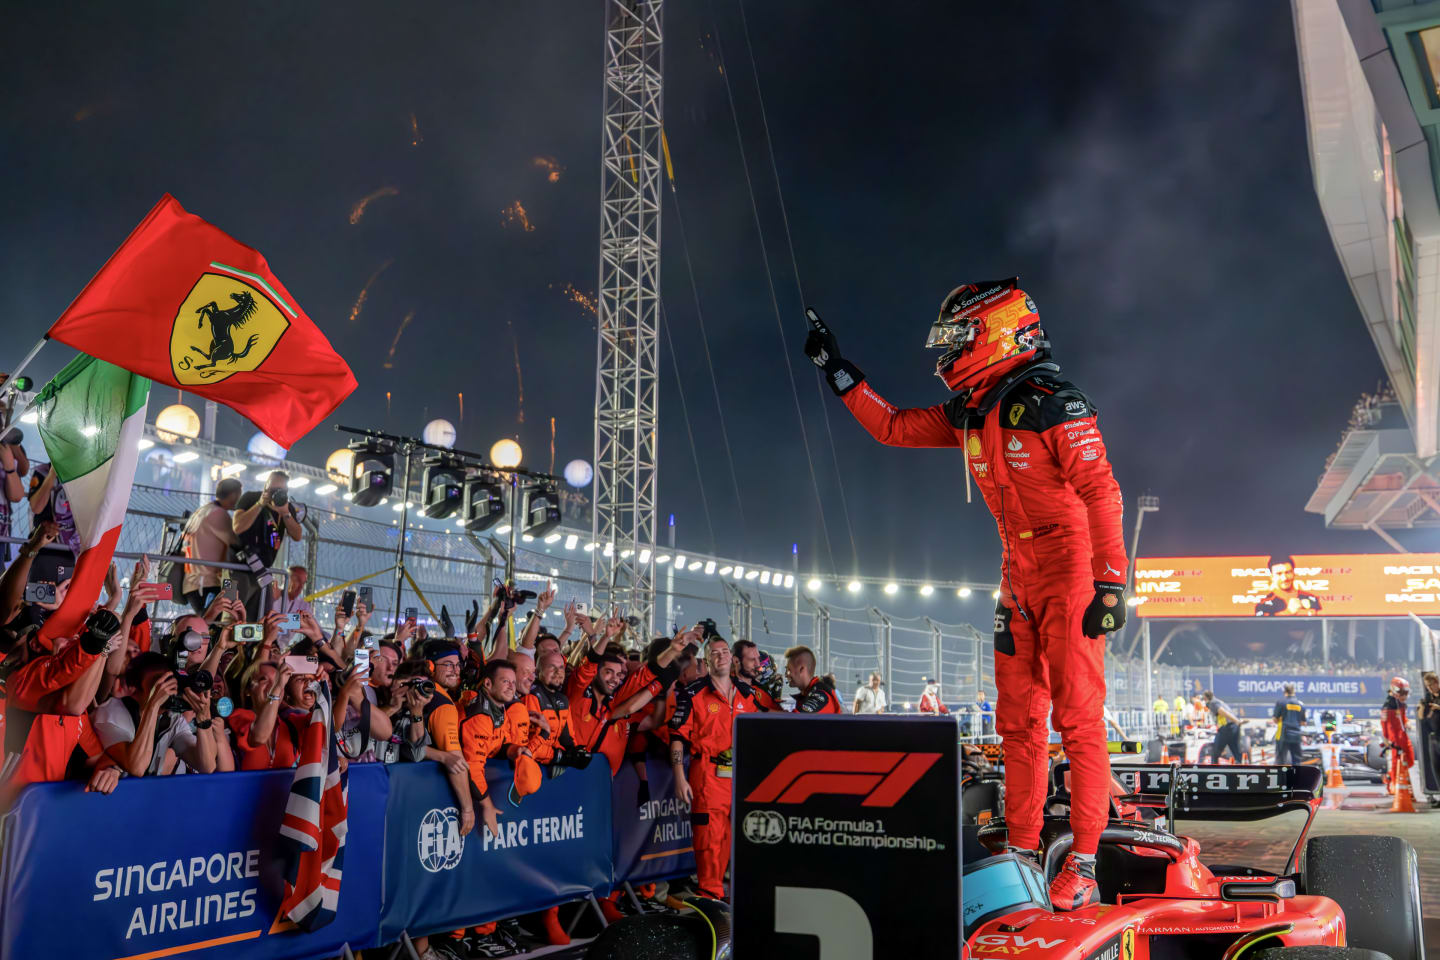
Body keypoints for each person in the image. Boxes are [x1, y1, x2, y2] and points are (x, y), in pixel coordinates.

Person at [806, 279, 1128, 909]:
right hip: (1017, 576)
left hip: (1069, 571)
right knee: (1017, 725)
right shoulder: (975, 409)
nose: (947, 351)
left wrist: (1111, 581)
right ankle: (1024, 848)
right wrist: (840, 373)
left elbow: (1102, 491)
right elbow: (895, 428)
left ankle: (1085, 862)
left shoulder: (1054, 401)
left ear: (998, 332)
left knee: (1079, 722)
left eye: (958, 339)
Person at [670, 632, 757, 900]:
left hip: (739, 778)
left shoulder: (747, 695)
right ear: (705, 662)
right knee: (709, 839)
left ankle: (728, 899)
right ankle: (710, 896)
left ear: (732, 658)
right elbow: (676, 737)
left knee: (733, 838)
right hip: (707, 775)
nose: (720, 656)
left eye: (724, 652)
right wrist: (679, 777)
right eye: (714, 654)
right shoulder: (693, 693)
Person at [231, 470, 303, 619]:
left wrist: (285, 514)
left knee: (260, 618)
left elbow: (297, 535)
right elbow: (237, 527)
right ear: (265, 487)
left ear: (286, 492)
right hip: (237, 569)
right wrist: (259, 504)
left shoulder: (286, 508)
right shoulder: (250, 498)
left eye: (280, 491)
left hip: (262, 572)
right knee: (231, 614)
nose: (275, 494)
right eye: (272, 490)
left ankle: (252, 643)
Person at [180, 478, 241, 614]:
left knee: (213, 624)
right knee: (218, 625)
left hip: (195, 582)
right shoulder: (218, 514)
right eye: (239, 495)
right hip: (208, 583)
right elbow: (236, 543)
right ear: (233, 495)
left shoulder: (202, 511)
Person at [1252, 555, 1322, 617]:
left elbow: (1324, 625)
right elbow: (1263, 627)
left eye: (1288, 572)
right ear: (1272, 577)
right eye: (1279, 574)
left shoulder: (1311, 598)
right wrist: (1288, 612)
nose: (1284, 578)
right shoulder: (1263, 605)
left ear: (1294, 573)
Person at [781, 646, 842, 713]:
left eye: (789, 669)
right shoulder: (809, 692)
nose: (786, 674)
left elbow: (795, 720)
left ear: (801, 669)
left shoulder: (821, 695)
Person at [1381, 676, 1414, 796]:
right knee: (1396, 763)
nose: (1405, 695)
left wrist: (1407, 722)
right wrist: (1386, 739)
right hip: (1394, 738)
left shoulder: (1401, 704)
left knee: (1410, 760)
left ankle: (1396, 779)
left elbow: (1403, 718)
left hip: (1403, 736)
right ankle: (1394, 785)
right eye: (1402, 692)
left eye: (1406, 692)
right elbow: (1384, 724)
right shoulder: (1388, 705)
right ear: (1395, 690)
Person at [265, 565, 312, 646]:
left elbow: (316, 630)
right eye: (297, 580)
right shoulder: (272, 594)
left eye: (303, 582)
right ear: (285, 578)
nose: (300, 586)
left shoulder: (304, 606)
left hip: (279, 650)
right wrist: (298, 621)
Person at [1202, 691, 1243, 764]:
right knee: (1236, 751)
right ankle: (1240, 768)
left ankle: (1214, 770)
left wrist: (1236, 721)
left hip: (1226, 728)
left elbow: (1222, 712)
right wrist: (1236, 722)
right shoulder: (1219, 701)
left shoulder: (1212, 703)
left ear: (1206, 698)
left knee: (1215, 752)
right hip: (1234, 727)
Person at [1418, 671, 1440, 805]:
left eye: (1432, 685)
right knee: (1437, 770)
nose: (1430, 688)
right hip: (1433, 738)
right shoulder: (1428, 699)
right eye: (1428, 686)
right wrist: (1421, 709)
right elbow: (1423, 720)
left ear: (1437, 683)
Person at [1271, 682, 1306, 766]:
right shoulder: (1300, 704)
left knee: (1280, 759)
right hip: (1296, 734)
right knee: (1296, 760)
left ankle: (1281, 778)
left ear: (1284, 691)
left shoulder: (1281, 702)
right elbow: (1303, 722)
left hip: (1283, 734)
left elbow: (1275, 719)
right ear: (1294, 691)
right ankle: (1296, 778)